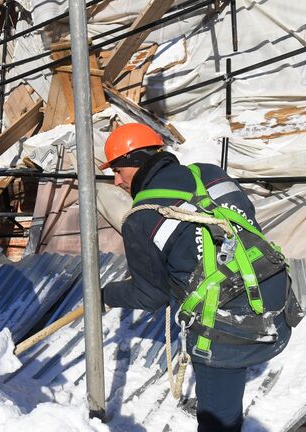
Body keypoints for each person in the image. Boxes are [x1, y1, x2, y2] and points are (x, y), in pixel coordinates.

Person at [100, 123, 300, 432]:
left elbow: (150, 295)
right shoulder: (209, 173)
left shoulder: (141, 218)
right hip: (275, 289)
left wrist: (105, 296)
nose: (116, 180)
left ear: (137, 162)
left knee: (218, 419)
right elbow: (247, 220)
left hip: (229, 320)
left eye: (117, 169)